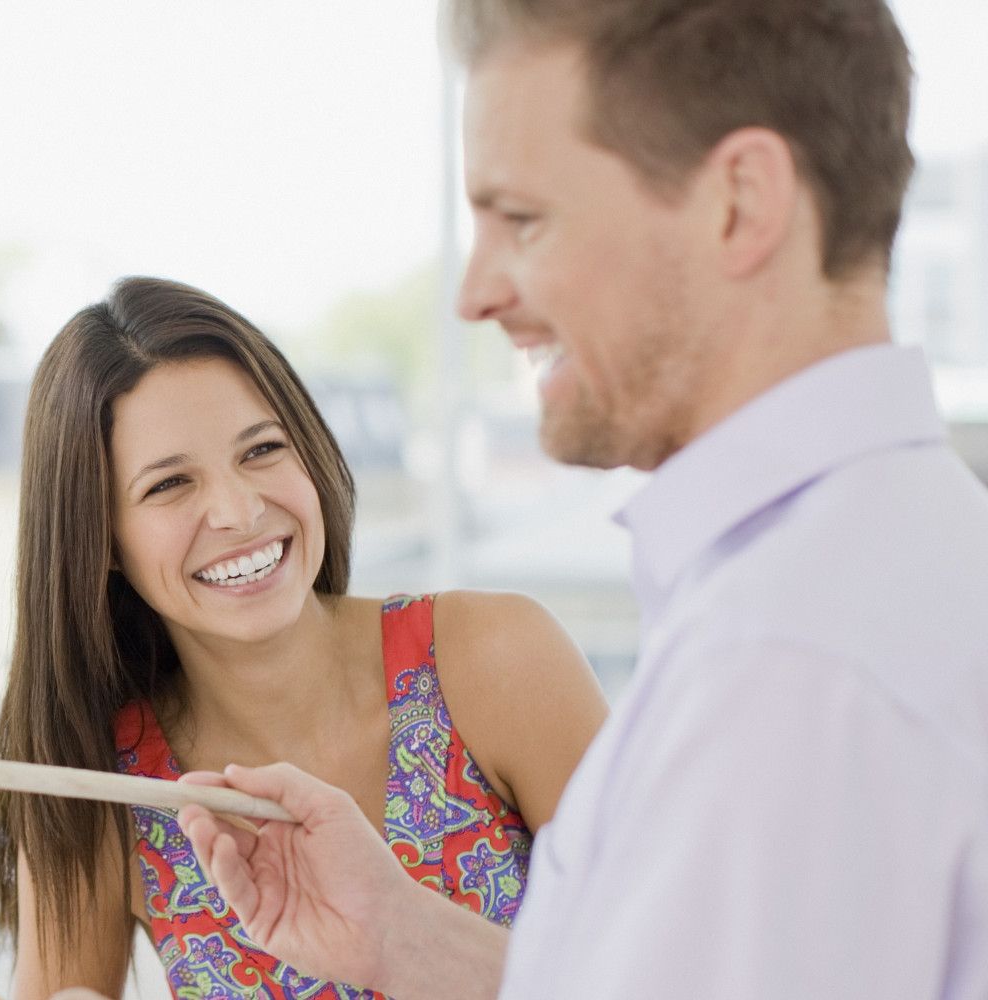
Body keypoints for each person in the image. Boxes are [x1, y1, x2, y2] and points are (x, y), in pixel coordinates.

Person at [150, 1, 988, 997]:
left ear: (739, 202)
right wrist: (400, 936)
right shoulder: (880, 553)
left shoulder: (787, 668)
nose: (474, 292)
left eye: (520, 219)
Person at [0, 276, 610, 999]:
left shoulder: (494, 657)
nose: (238, 509)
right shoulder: (99, 778)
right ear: (99, 539)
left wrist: (407, 939)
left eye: (260, 451)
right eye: (169, 486)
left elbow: (684, 964)